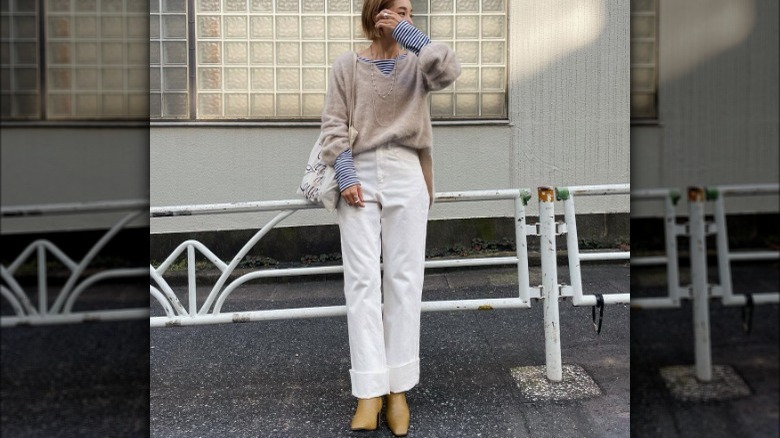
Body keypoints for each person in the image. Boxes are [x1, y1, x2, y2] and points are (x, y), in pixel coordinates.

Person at [319, 0, 461, 435]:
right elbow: (333, 124)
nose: (404, 15)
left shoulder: (419, 61)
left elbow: (449, 72)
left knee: (404, 279)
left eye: (409, 10)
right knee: (361, 281)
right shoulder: (346, 65)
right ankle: (368, 390)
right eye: (395, 8)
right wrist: (343, 173)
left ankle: (397, 388)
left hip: (406, 170)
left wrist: (409, 35)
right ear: (374, 11)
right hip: (357, 171)